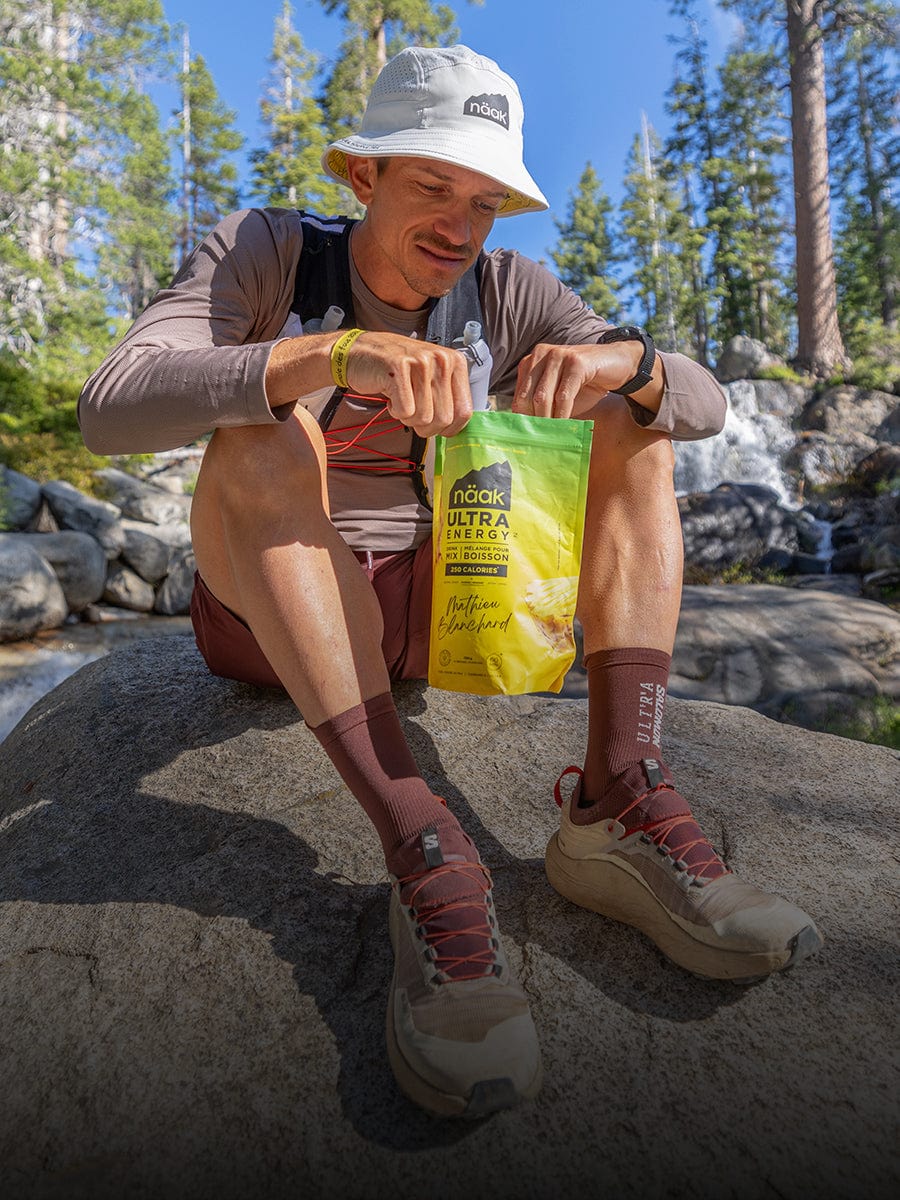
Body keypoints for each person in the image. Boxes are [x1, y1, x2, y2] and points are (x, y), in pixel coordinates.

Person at [79, 44, 822, 1119]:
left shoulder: (512, 291)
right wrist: (327, 358)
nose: (460, 225)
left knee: (639, 421)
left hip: (447, 612)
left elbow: (706, 406)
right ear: (363, 174)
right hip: (272, 611)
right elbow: (112, 403)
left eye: (485, 201)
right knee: (262, 432)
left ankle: (619, 795)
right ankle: (422, 844)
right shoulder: (267, 252)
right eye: (433, 185)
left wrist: (633, 365)